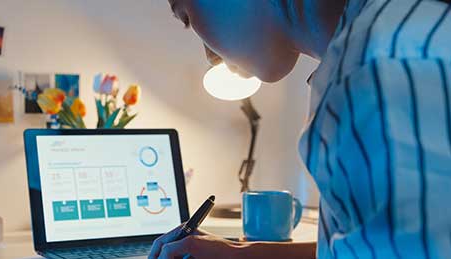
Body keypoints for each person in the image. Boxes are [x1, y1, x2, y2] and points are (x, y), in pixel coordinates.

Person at [150, 0, 451, 258]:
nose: (210, 55)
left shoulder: (378, 68)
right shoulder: (388, 36)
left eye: (187, 17)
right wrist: (241, 254)